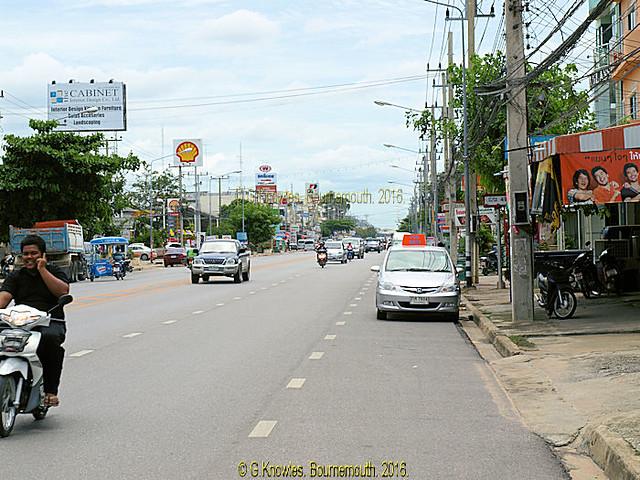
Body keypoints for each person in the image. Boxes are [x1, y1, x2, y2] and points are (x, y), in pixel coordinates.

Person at [0, 235, 70, 407]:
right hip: (19, 321)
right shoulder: (16, 276)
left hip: (50, 320)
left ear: (43, 254)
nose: (29, 257)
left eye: (34, 253)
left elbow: (62, 291)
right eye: (26, 254)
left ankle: (51, 391)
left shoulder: (54, 271)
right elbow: (4, 299)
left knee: (51, 341)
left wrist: (42, 270)